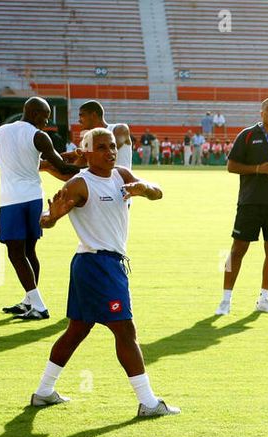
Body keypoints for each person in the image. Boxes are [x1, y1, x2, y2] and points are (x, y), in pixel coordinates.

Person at [31, 126, 177, 416]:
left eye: (112, 146)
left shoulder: (121, 175)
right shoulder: (79, 183)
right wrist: (52, 218)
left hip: (98, 264)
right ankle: (148, 402)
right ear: (86, 153)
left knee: (77, 330)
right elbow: (46, 217)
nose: (110, 152)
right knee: (125, 330)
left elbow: (157, 193)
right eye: (101, 147)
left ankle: (43, 392)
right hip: (99, 265)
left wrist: (144, 189)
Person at [0, 97, 80, 320]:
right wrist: (88, 167)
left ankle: (39, 305)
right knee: (28, 251)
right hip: (33, 197)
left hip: (11, 198)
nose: (47, 121)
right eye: (45, 116)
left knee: (16, 252)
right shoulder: (39, 136)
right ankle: (29, 301)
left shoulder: (2, 131)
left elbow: (23, 156)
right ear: (34, 114)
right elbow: (61, 167)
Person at [217, 97, 268, 315]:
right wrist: (257, 169)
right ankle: (225, 300)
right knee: (236, 250)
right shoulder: (248, 135)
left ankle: (265, 298)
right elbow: (231, 166)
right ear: (261, 113)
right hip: (250, 201)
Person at [75, 100, 132, 169]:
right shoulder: (88, 138)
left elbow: (109, 150)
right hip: (99, 179)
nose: (79, 120)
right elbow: (79, 165)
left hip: (121, 179)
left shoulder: (120, 129)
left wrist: (77, 153)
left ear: (93, 115)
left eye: (82, 115)